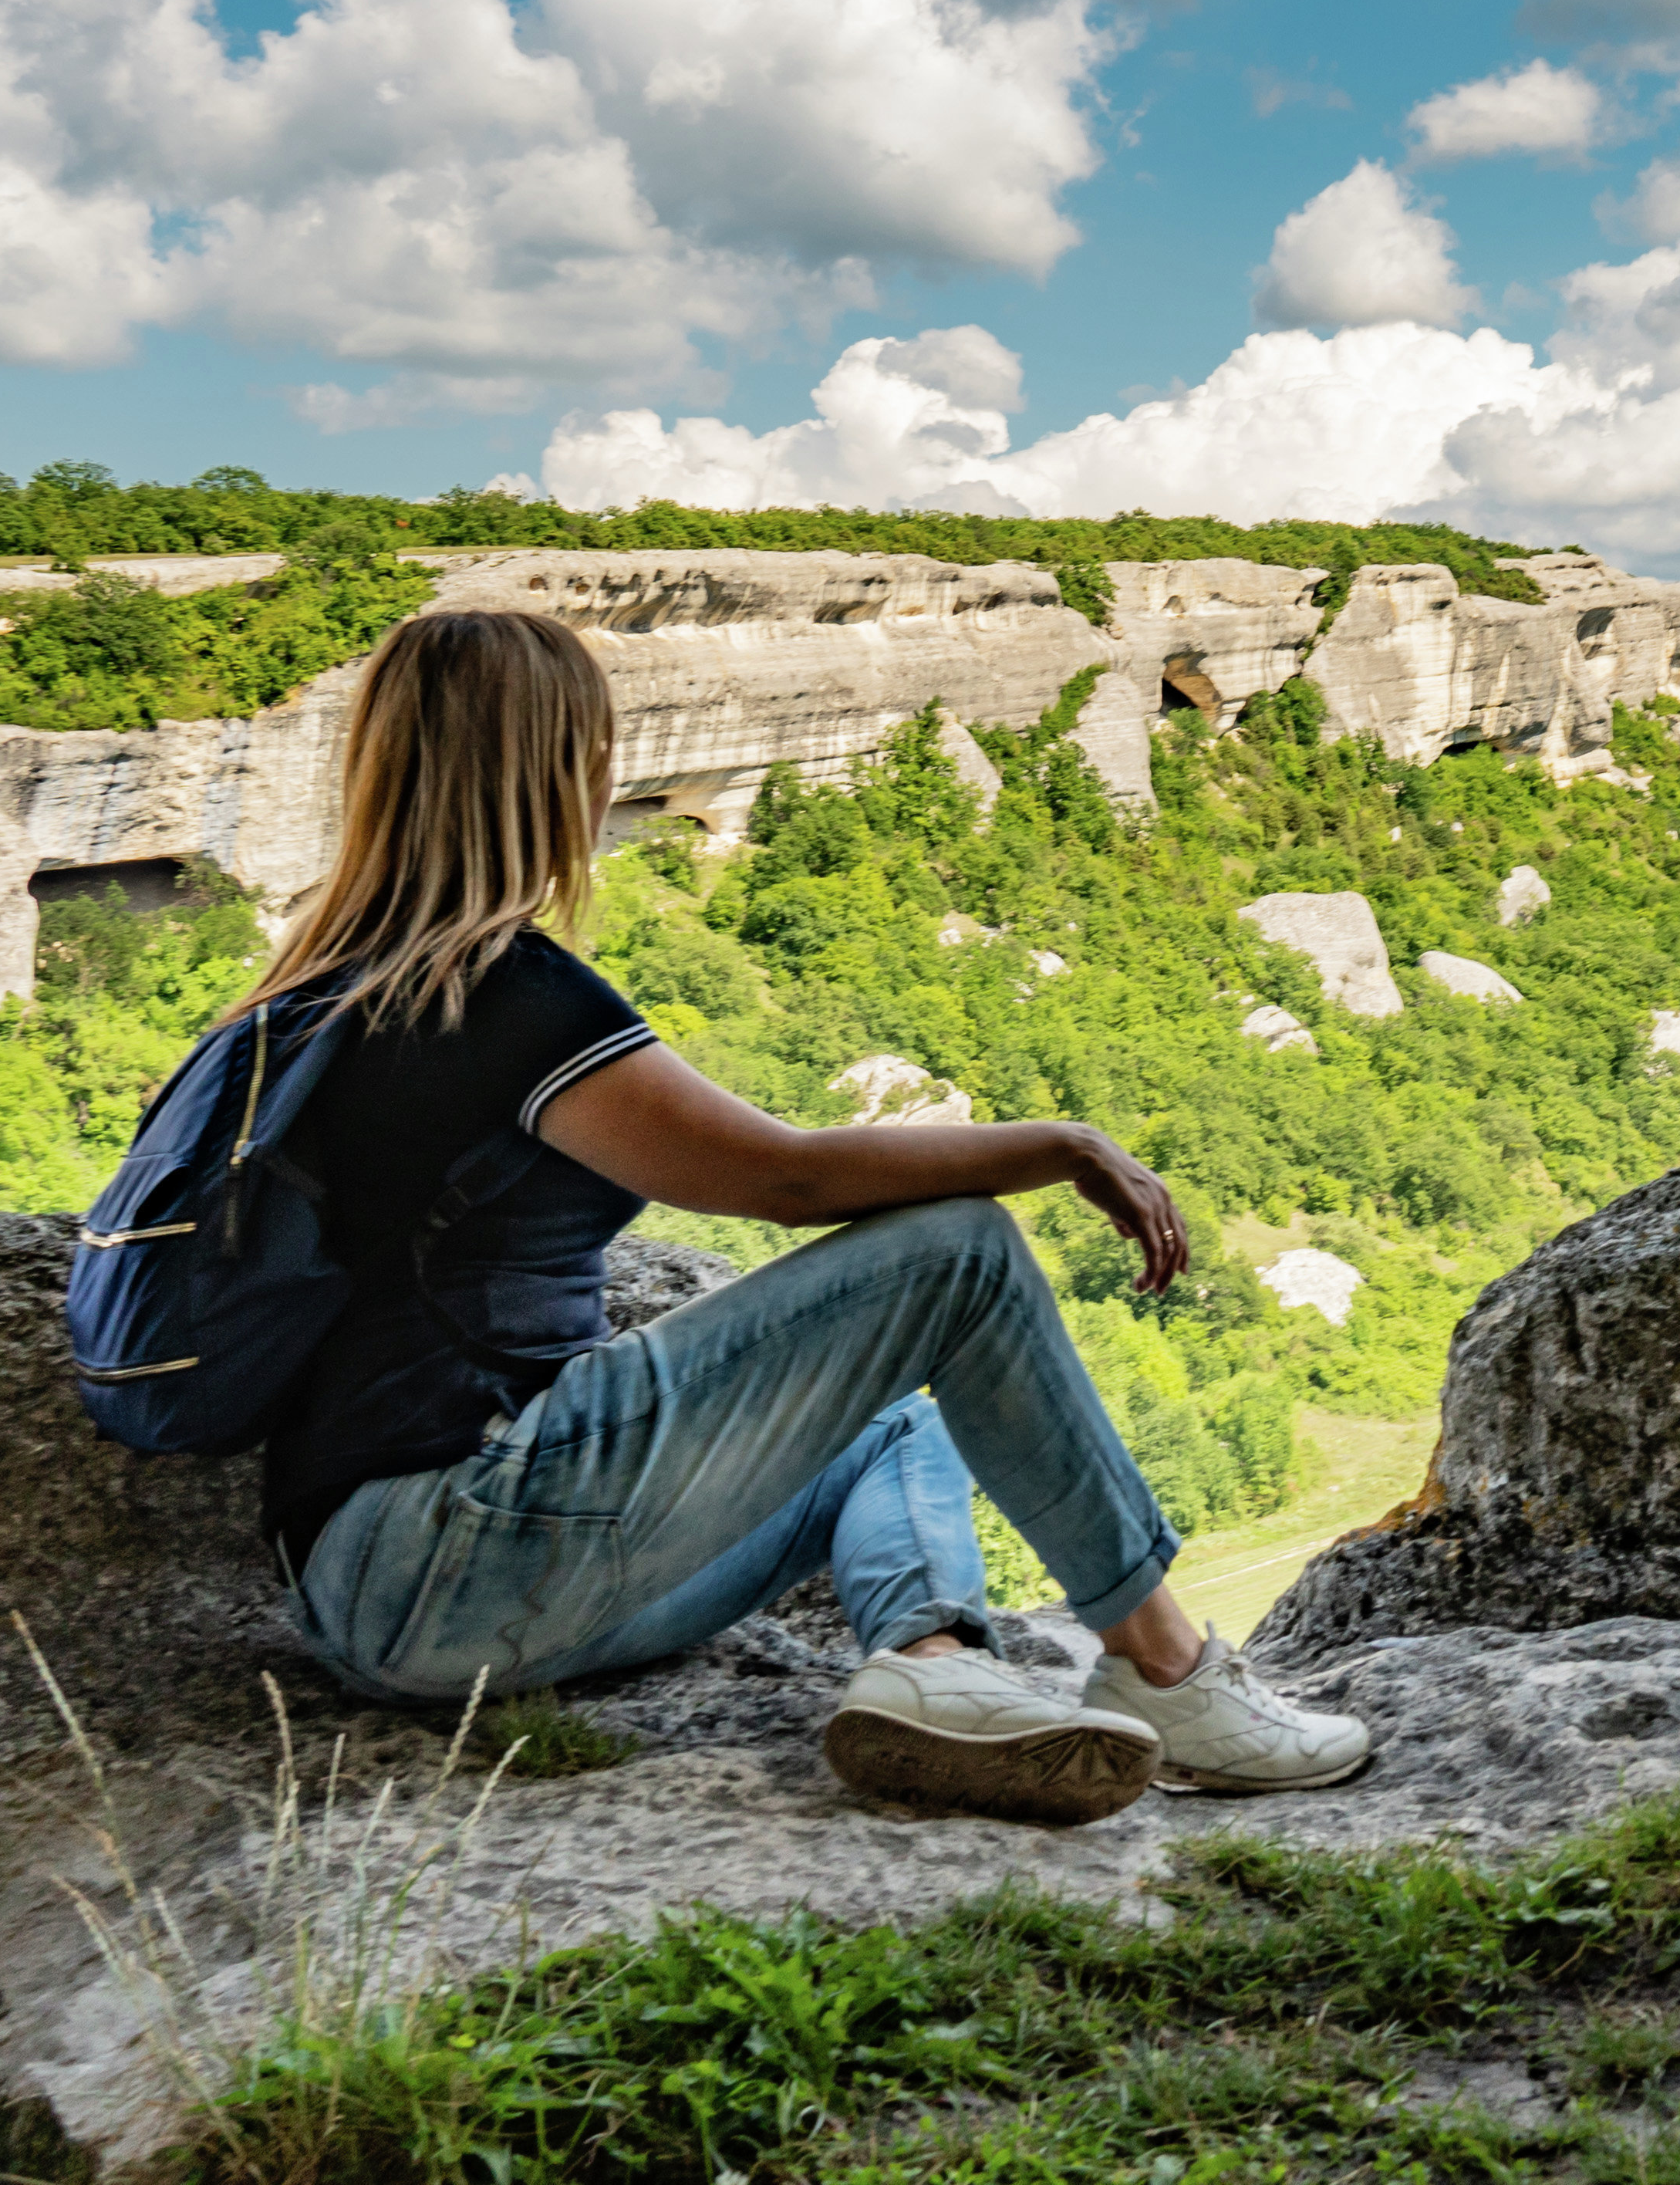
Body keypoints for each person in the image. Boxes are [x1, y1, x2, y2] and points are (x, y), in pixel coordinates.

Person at [247, 606, 1371, 1824]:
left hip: (369, 1608)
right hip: (460, 1546)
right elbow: (788, 1179)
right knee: (962, 1255)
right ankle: (1168, 1668)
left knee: (888, 1425)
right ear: (554, 765)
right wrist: (1060, 1146)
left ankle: (936, 1673)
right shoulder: (501, 991)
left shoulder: (299, 1001)